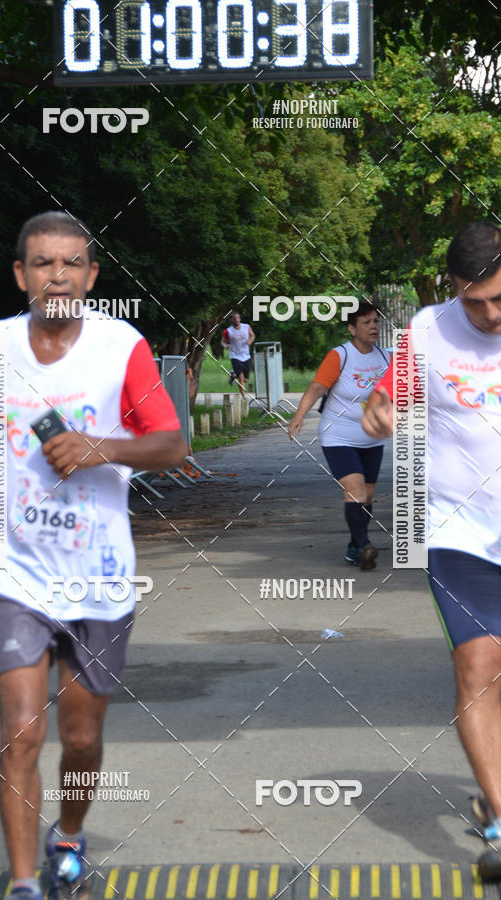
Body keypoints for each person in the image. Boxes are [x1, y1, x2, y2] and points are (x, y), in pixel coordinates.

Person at [0, 211, 187, 900]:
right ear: (21, 275)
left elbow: (172, 445)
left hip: (99, 574)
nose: (58, 275)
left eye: (71, 263)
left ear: (91, 276)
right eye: (43, 263)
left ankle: (68, 832)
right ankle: (23, 884)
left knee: (80, 739)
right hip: (14, 568)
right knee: (21, 733)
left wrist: (99, 447)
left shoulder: (121, 349)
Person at [362, 221, 501, 878]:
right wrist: (381, 413)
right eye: (476, 303)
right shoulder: (426, 331)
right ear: (454, 289)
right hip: (456, 530)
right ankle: (500, 820)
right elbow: (383, 401)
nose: (492, 314)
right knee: (477, 669)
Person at [287, 301, 390, 570]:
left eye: (376, 321)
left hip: (372, 436)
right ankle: (365, 544)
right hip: (338, 434)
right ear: (352, 328)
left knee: (367, 496)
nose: (373, 327)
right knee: (353, 488)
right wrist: (299, 415)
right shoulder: (340, 355)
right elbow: (317, 387)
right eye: (366, 322)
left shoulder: (386, 357)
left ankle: (355, 546)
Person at [221, 310, 255, 396]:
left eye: (238, 318)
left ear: (240, 319)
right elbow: (222, 342)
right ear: (231, 320)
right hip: (235, 356)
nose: (236, 320)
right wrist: (226, 346)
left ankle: (233, 374)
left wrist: (250, 341)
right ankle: (243, 397)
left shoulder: (246, 327)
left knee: (245, 379)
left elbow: (252, 335)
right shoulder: (228, 331)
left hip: (246, 356)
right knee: (241, 377)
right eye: (234, 318)